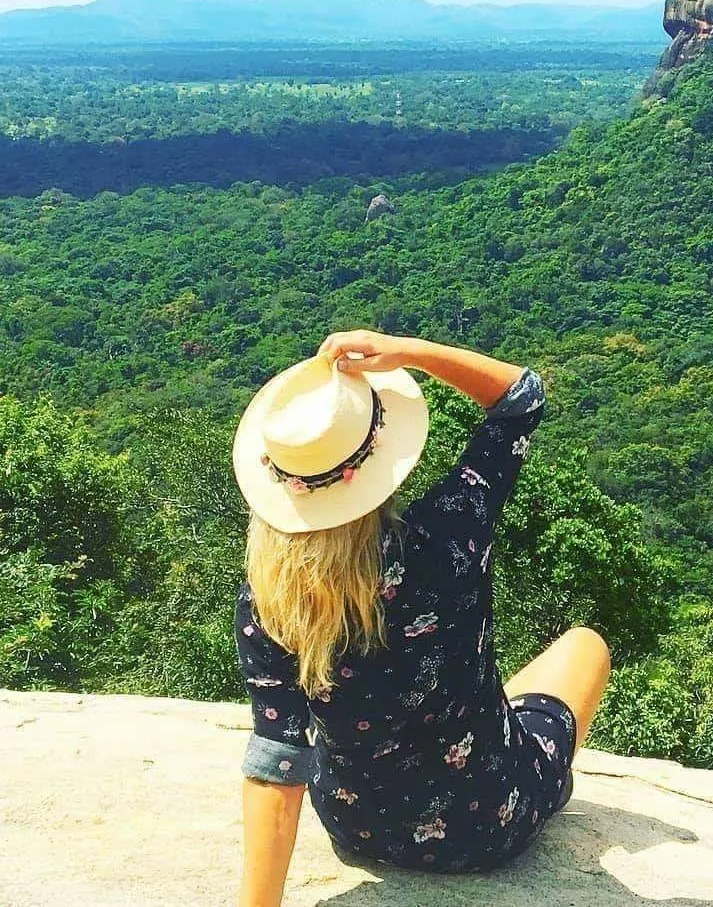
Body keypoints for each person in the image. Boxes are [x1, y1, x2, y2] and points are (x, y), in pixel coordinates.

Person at [231, 329, 611, 906]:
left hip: (357, 826)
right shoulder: (450, 530)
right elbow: (523, 398)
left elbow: (276, 760)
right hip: (487, 825)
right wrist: (410, 351)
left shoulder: (272, 600)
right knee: (584, 646)